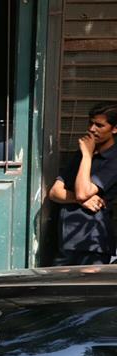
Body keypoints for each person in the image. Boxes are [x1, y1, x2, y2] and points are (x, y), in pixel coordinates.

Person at [49, 102, 117, 265]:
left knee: (89, 289)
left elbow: (83, 191)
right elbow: (55, 192)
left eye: (100, 125)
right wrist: (79, 200)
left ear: (114, 129)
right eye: (91, 123)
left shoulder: (113, 159)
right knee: (59, 288)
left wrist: (87, 155)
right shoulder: (82, 154)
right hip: (66, 239)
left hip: (93, 241)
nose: (92, 129)